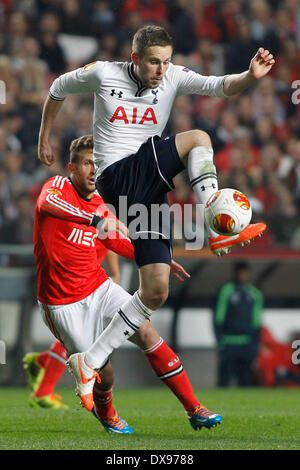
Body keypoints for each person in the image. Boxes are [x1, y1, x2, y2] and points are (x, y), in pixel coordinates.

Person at [37, 24, 274, 413]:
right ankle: (216, 217)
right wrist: (45, 136)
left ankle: (90, 361)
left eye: (166, 62)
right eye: (153, 62)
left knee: (155, 290)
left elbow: (220, 86)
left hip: (145, 193)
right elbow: (57, 89)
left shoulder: (174, 76)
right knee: (197, 138)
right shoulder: (103, 73)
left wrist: (250, 76)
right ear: (135, 59)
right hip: (115, 174)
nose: (161, 70)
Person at [33, 134, 222, 432]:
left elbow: (116, 239)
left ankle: (194, 408)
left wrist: (154, 256)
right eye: (86, 163)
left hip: (97, 286)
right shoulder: (58, 187)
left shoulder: (100, 201)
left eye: (97, 163)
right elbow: (47, 204)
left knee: (146, 332)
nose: (94, 170)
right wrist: (94, 220)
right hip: (62, 302)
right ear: (72, 167)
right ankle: (107, 414)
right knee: (103, 373)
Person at [214, 262, 263, 387]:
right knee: (224, 379)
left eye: (245, 273)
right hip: (229, 342)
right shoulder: (226, 291)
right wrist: (220, 340)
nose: (243, 276)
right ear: (235, 273)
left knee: (246, 379)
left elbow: (257, 322)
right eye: (241, 273)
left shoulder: (255, 294)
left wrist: (255, 344)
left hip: (247, 344)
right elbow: (218, 317)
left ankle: (244, 405)